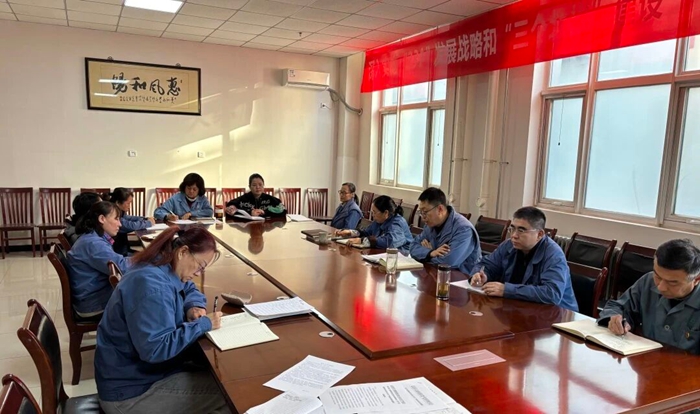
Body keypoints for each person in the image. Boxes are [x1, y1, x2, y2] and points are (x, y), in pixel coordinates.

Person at [95, 226, 229, 414]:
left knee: (216, 376)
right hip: (130, 395)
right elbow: (156, 350)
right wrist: (203, 324)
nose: (199, 273)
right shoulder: (152, 286)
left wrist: (193, 306)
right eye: (200, 266)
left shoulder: (162, 265)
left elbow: (189, 287)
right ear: (183, 252)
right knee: (228, 393)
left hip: (142, 375)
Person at [598, 239, 700, 354]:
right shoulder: (648, 281)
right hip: (644, 359)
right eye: (658, 276)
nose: (661, 287)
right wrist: (615, 318)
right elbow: (617, 306)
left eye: (672, 283)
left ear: (696, 279)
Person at [469, 206, 578, 312]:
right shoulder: (509, 245)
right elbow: (487, 264)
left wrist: (507, 290)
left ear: (539, 234)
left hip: (558, 315)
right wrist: (481, 275)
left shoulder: (554, 255)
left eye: (521, 230)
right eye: (512, 229)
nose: (514, 235)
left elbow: (552, 294)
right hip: (522, 308)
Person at [67, 201, 131, 317]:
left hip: (94, 296)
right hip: (94, 303)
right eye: (116, 219)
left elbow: (118, 262)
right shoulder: (94, 243)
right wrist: (147, 258)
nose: (120, 224)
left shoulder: (92, 237)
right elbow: (122, 268)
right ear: (102, 219)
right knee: (148, 295)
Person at [409, 187, 481, 273]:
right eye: (420, 212)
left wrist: (425, 256)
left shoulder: (463, 229)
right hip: (435, 273)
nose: (423, 217)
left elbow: (448, 263)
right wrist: (430, 253)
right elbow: (412, 247)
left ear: (440, 209)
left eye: (424, 212)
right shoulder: (430, 225)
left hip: (462, 277)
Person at [335, 195, 413, 253]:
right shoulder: (379, 221)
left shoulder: (397, 223)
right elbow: (367, 233)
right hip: (383, 255)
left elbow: (389, 242)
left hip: (402, 259)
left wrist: (362, 240)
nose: (372, 215)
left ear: (386, 213)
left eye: (374, 212)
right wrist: (350, 233)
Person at [105, 187, 155, 256]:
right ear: (118, 203)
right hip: (120, 254)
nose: (129, 206)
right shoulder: (111, 213)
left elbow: (128, 218)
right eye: (128, 203)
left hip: (123, 249)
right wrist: (149, 223)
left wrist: (145, 218)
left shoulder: (116, 209)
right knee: (150, 257)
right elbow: (128, 225)